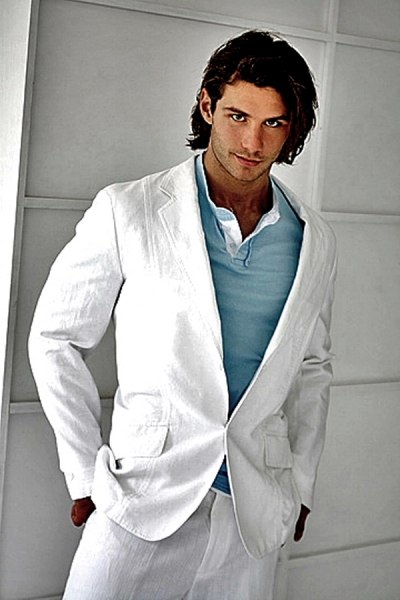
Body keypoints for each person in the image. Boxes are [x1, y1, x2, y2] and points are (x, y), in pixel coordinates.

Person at [29, 30, 337, 600]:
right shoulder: (130, 210)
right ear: (208, 106)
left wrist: (300, 483)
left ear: (292, 127)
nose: (253, 141)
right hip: (143, 500)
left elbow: (312, 367)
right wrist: (83, 472)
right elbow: (56, 337)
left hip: (251, 515)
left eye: (273, 123)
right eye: (239, 116)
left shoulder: (312, 238)